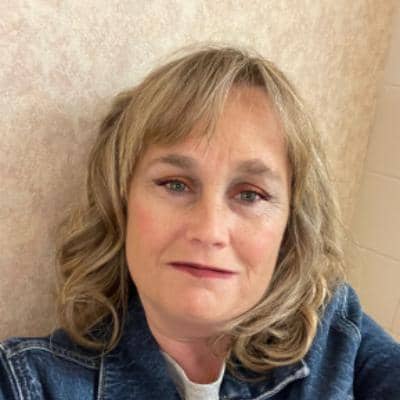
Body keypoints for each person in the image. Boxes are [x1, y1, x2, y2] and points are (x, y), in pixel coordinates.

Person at [1, 43, 399, 400]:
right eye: (175, 184)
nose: (209, 231)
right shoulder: (30, 383)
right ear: (120, 201)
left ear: (289, 225)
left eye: (250, 194)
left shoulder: (335, 337)